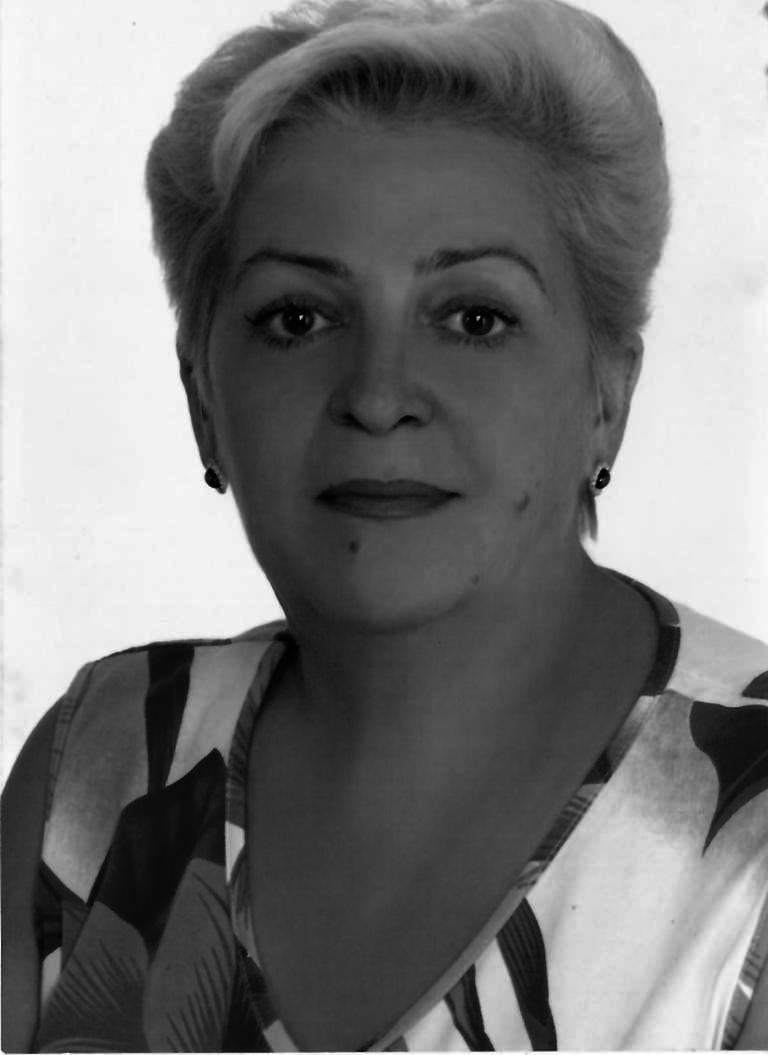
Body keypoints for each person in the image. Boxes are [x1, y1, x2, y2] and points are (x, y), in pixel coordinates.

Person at [2, 0, 767, 1049]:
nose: (376, 394)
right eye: (298, 318)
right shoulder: (96, 766)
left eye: (475, 317)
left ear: (607, 393)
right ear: (202, 399)